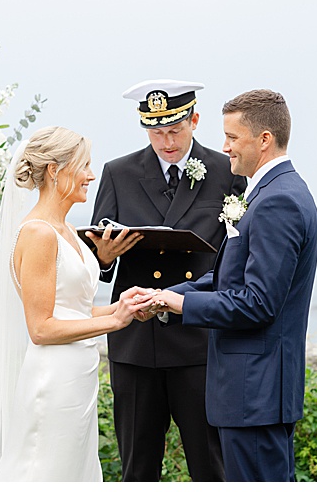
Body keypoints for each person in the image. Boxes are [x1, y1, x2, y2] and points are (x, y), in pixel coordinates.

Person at [140, 88, 317, 482]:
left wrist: (182, 307)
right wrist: (167, 296)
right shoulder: (273, 193)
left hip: (255, 393)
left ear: (264, 140)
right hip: (252, 394)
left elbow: (258, 303)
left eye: (232, 138)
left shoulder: (279, 202)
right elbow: (229, 277)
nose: (224, 148)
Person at [83, 79, 244, 481]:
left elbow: (239, 250)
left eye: (174, 130)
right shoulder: (118, 173)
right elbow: (97, 261)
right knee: (138, 467)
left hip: (199, 338)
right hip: (137, 343)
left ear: (195, 120)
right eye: (156, 132)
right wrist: (103, 258)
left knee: (211, 466)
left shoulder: (226, 170)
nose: (166, 141)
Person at [0, 126, 154, 482]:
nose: (92, 175)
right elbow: (41, 328)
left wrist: (124, 306)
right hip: (53, 379)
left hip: (78, 377)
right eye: (84, 165)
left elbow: (73, 312)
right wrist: (114, 322)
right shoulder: (39, 234)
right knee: (44, 471)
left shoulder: (66, 229)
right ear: (56, 171)